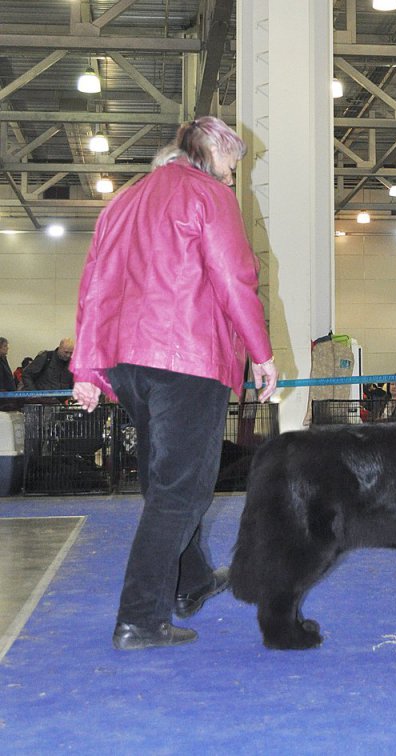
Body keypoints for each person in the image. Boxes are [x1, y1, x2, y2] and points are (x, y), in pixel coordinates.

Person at [70, 116, 278, 651]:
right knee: (180, 493)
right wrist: (261, 352)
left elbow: (94, 284)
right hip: (188, 356)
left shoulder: (123, 201)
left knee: (165, 482)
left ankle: (193, 582)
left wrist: (88, 366)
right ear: (210, 153)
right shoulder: (207, 195)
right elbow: (235, 277)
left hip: (128, 361)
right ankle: (139, 619)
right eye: (233, 165)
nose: (233, 178)